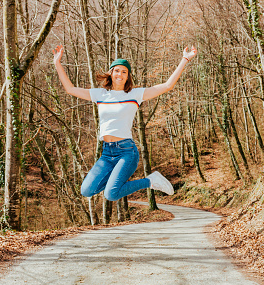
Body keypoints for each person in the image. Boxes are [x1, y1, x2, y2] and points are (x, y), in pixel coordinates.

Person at [53, 44, 197, 201]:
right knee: (87, 190)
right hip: (107, 153)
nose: (120, 74)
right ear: (111, 73)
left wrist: (185, 59)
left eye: (124, 72)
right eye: (117, 70)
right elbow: (70, 89)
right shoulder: (100, 94)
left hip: (127, 152)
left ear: (128, 76)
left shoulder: (135, 94)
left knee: (111, 194)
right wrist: (57, 63)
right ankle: (118, 182)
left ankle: (150, 181)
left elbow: (167, 85)